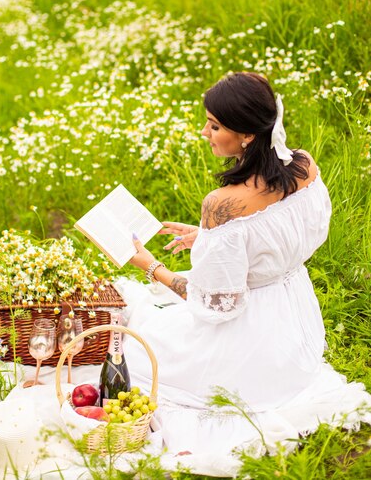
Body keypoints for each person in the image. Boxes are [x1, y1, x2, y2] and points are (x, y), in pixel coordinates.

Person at [114, 71, 371, 472]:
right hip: (294, 323)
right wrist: (207, 238)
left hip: (246, 345)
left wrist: (152, 266)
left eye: (215, 125)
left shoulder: (223, 203)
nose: (205, 132)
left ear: (248, 134)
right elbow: (282, 237)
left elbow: (217, 304)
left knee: (135, 351)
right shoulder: (303, 167)